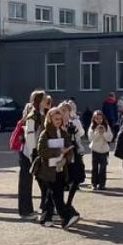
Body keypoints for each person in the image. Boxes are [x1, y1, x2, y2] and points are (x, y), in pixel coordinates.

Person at [33, 107, 78, 228]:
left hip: (61, 168)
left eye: (59, 119)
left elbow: (69, 149)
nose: (58, 121)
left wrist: (66, 158)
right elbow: (41, 151)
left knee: (51, 193)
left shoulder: (63, 133)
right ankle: (66, 217)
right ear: (49, 119)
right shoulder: (45, 133)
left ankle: (45, 218)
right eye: (55, 119)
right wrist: (58, 151)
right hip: (49, 170)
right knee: (56, 194)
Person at [18, 90, 48, 218]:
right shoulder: (33, 115)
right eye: (44, 99)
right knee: (25, 183)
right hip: (28, 153)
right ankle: (25, 211)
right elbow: (29, 136)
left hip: (34, 152)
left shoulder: (41, 114)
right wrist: (32, 154)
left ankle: (43, 208)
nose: (46, 101)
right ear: (39, 100)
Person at [61, 101, 87, 217]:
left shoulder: (74, 122)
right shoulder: (57, 122)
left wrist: (74, 131)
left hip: (74, 151)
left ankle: (68, 203)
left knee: (76, 177)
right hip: (62, 153)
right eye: (61, 110)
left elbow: (81, 133)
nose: (63, 113)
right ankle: (60, 206)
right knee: (61, 180)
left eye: (65, 110)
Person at [88, 110, 113, 190]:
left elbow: (110, 138)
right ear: (94, 119)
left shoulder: (106, 126)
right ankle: (94, 184)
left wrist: (104, 133)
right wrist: (97, 132)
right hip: (95, 149)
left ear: (103, 118)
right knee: (94, 167)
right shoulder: (92, 126)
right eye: (97, 118)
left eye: (100, 118)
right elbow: (91, 138)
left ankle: (102, 184)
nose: (99, 120)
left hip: (104, 150)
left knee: (103, 168)